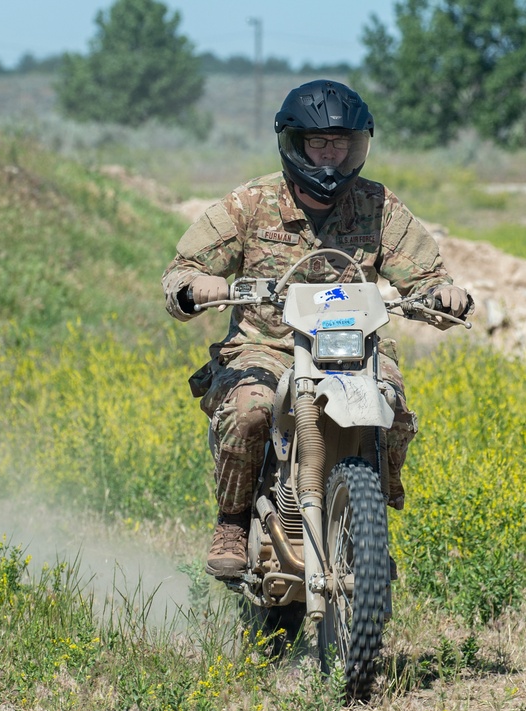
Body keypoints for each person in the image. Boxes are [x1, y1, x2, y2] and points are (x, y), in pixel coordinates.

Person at [162, 80, 472, 579]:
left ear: (358, 145)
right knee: (249, 412)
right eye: (319, 143)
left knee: (389, 408)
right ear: (295, 143)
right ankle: (233, 520)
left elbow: (428, 277)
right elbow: (181, 270)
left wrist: (443, 295)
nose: (331, 154)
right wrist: (197, 285)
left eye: (341, 143)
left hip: (355, 346)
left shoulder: (378, 206)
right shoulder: (250, 203)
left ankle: (368, 526)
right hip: (267, 346)